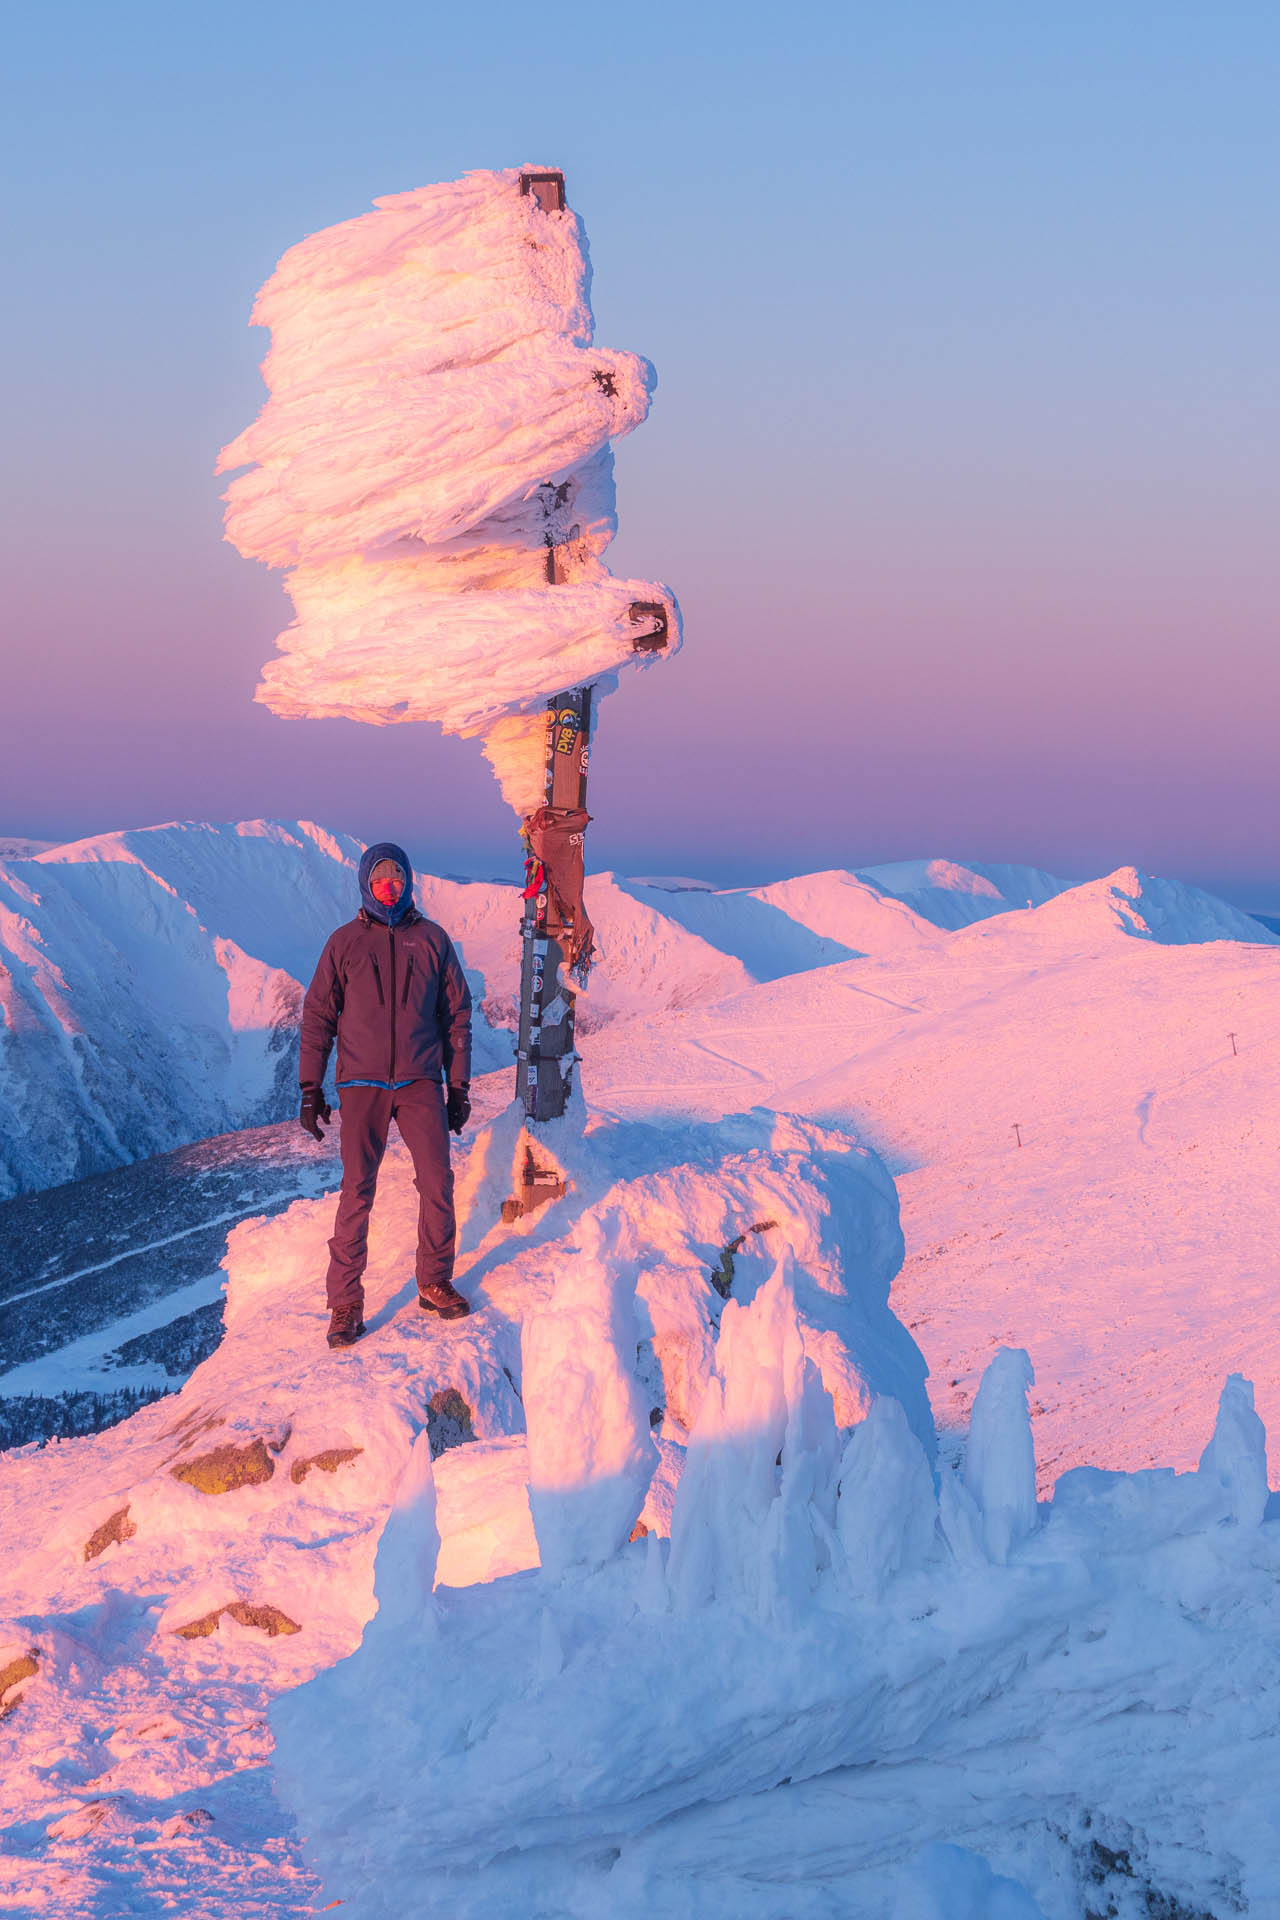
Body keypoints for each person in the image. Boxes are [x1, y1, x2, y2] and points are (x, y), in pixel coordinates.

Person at [298, 842, 474, 1349]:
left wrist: (457, 1085)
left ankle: (434, 1281)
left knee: (437, 1180)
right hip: (361, 1083)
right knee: (357, 1191)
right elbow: (318, 1017)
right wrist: (311, 1088)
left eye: (396, 879)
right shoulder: (344, 943)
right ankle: (345, 1304)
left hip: (420, 1080)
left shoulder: (433, 940)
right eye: (380, 881)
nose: (389, 888)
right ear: (365, 885)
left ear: (409, 882)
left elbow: (457, 1015)